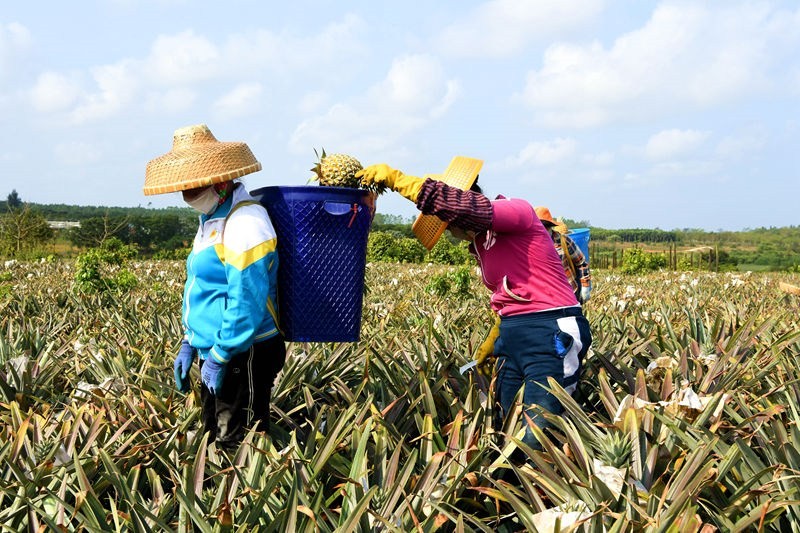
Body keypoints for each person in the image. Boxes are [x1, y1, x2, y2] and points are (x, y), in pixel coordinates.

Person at [356, 161, 592, 454]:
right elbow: (507, 295)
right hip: (513, 335)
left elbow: (468, 208)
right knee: (507, 419)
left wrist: (397, 180)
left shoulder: (516, 211)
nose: (452, 232)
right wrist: (494, 341)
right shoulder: (483, 243)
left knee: (538, 430)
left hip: (550, 329)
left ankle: (552, 492)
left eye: (448, 224)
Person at [144, 124, 285, 448]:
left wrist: (222, 354)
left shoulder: (246, 221)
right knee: (213, 435)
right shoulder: (212, 218)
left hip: (244, 351)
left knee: (238, 442)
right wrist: (190, 341)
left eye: (196, 186)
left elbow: (245, 298)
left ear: (220, 181)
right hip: (217, 349)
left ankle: (245, 499)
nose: (188, 194)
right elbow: (203, 284)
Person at [534, 206, 592, 304]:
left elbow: (581, 263)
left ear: (550, 226)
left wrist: (585, 286)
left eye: (545, 226)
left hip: (569, 293)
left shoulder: (564, 241)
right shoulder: (531, 245)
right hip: (543, 297)